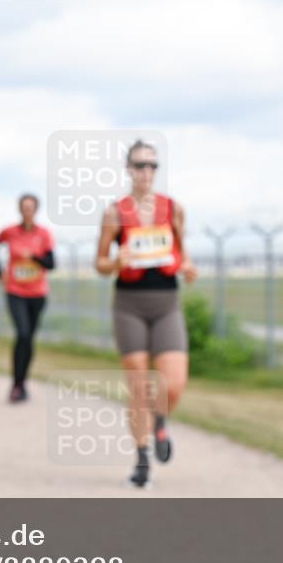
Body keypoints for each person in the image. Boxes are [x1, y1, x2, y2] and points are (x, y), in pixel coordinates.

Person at [94, 140, 198, 488]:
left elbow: (182, 253)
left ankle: (160, 420)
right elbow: (99, 263)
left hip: (166, 302)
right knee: (138, 384)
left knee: (174, 382)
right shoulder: (115, 213)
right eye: (140, 165)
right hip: (130, 304)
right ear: (128, 169)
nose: (146, 172)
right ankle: (141, 460)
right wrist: (115, 261)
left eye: (152, 165)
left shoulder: (173, 209)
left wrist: (187, 267)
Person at [0, 193, 55, 402]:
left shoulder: (44, 234)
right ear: (19, 209)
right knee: (21, 334)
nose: (27, 211)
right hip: (15, 291)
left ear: (36, 210)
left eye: (30, 207)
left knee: (29, 338)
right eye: (24, 207)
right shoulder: (9, 232)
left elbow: (51, 263)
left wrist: (34, 257)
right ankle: (16, 383)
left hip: (37, 293)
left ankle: (22, 383)